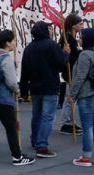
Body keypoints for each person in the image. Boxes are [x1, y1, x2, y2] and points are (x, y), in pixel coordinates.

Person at [0, 30, 35, 166]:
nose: (14, 43)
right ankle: (17, 157)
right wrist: (17, 91)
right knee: (12, 128)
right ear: (7, 43)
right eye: (13, 40)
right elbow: (11, 81)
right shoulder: (5, 58)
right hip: (3, 99)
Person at [21, 21, 68, 159]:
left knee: (36, 115)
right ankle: (41, 145)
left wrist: (24, 90)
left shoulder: (29, 48)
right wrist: (66, 54)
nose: (51, 31)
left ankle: (35, 140)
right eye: (49, 28)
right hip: (50, 86)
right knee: (47, 117)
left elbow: (24, 71)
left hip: (35, 87)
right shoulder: (51, 45)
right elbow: (61, 63)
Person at [67, 28, 94, 166]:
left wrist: (72, 94)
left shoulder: (85, 54)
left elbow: (80, 76)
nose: (79, 40)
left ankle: (86, 157)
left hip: (88, 94)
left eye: (81, 37)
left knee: (88, 127)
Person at [59, 14, 84, 135]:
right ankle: (66, 123)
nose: (82, 26)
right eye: (80, 24)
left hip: (74, 70)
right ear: (73, 25)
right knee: (70, 97)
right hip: (70, 70)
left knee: (72, 98)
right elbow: (69, 56)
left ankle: (70, 120)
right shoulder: (67, 38)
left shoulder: (72, 38)